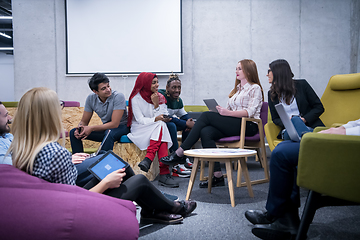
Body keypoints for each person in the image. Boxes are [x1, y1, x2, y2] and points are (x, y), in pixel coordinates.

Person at [9, 87, 196, 224]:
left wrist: (69, 160)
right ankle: (171, 206)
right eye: (58, 105)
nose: (60, 109)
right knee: (138, 180)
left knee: (112, 160)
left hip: (55, 203)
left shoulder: (19, 147)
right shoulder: (55, 153)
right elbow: (72, 203)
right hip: (78, 210)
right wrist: (105, 183)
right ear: (48, 114)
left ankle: (153, 207)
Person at [245, 119, 360, 240]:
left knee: (282, 154)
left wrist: (345, 132)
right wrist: (341, 128)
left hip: (352, 146)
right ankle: (282, 217)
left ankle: (282, 220)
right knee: (283, 146)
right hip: (349, 138)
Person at [161, 59, 264, 188]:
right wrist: (220, 112)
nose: (236, 71)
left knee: (206, 116)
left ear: (248, 71)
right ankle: (217, 176)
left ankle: (180, 152)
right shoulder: (237, 90)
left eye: (239, 68)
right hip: (234, 124)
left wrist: (226, 113)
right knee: (206, 132)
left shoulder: (255, 88)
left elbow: (250, 111)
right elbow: (230, 111)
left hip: (248, 125)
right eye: (236, 68)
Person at [127, 72, 179, 188]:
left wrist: (156, 105)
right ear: (145, 84)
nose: (157, 85)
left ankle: (148, 159)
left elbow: (164, 115)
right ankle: (164, 173)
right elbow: (140, 120)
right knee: (161, 127)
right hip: (140, 128)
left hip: (155, 126)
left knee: (161, 125)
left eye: (157, 82)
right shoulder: (135, 99)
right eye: (153, 83)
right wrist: (156, 118)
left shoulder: (159, 96)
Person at [70, 73, 129, 153]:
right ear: (95, 91)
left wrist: (91, 128)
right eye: (103, 88)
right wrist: (80, 129)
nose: (108, 90)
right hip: (106, 129)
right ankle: (79, 162)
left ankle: (102, 162)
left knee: (109, 133)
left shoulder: (118, 96)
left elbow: (114, 124)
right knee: (74, 133)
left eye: (108, 86)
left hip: (122, 127)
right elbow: (84, 121)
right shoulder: (91, 98)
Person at [267, 59, 324, 140]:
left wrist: (303, 120)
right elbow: (275, 119)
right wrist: (289, 122)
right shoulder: (271, 94)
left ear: (278, 72)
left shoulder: (302, 85)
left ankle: (306, 139)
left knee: (296, 122)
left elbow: (319, 107)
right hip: (289, 130)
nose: (267, 74)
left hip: (309, 126)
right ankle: (309, 140)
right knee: (292, 126)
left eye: (269, 71)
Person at [158, 73, 194, 177]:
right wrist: (186, 123)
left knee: (187, 127)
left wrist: (189, 122)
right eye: (174, 87)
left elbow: (183, 114)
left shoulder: (178, 100)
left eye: (179, 87)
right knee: (173, 125)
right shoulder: (162, 95)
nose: (177, 90)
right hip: (159, 123)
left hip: (169, 123)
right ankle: (175, 162)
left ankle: (184, 155)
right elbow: (166, 117)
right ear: (167, 88)